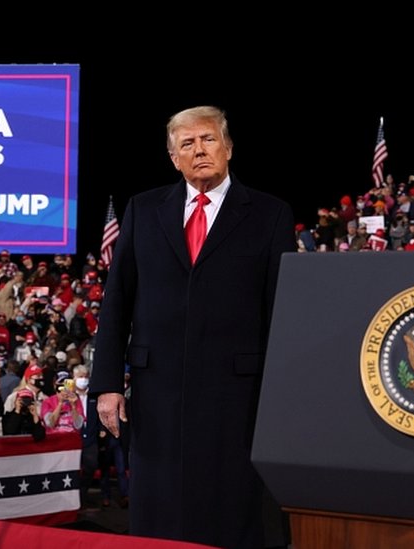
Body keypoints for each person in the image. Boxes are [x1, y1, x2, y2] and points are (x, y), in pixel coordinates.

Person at [91, 105, 295, 548]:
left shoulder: (270, 213)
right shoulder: (143, 210)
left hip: (238, 393)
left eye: (207, 139)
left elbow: (284, 308)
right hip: (157, 392)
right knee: (160, 508)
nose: (198, 150)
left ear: (228, 148)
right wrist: (106, 384)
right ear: (173, 157)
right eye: (187, 143)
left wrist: (282, 393)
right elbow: (118, 300)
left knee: (234, 507)